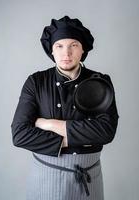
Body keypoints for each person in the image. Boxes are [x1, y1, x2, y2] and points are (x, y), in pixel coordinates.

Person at [11, 16, 119, 200]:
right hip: (46, 176)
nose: (66, 53)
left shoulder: (100, 81)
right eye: (59, 46)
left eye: (74, 45)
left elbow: (106, 131)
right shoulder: (35, 82)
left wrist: (49, 124)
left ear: (83, 48)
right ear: (51, 50)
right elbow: (19, 134)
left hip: (89, 177)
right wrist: (82, 137)